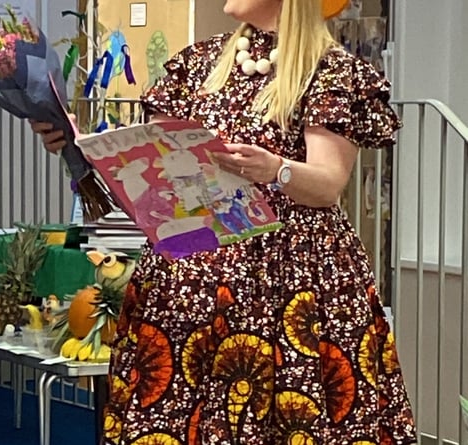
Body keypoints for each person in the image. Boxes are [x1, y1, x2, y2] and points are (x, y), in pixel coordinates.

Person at [32, 0, 416, 443]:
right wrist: (80, 147)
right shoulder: (197, 65)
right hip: (191, 281)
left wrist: (277, 169)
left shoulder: (331, 72)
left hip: (288, 282)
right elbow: (154, 168)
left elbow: (329, 183)